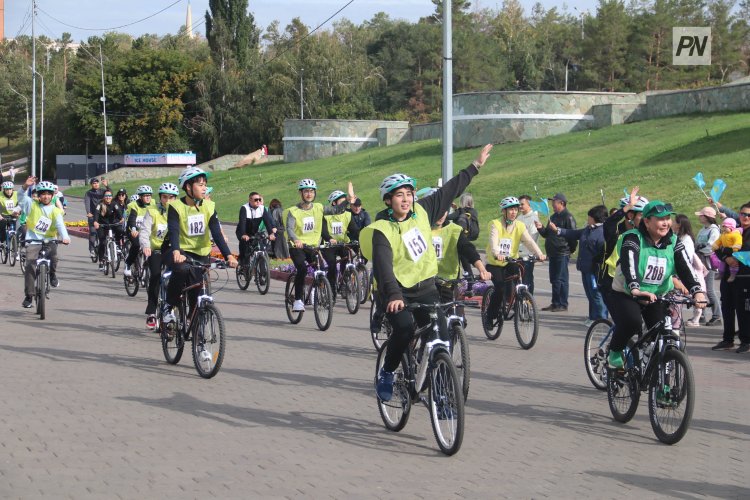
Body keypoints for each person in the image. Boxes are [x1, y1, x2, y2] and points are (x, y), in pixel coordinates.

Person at [360, 144, 493, 401]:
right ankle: (387, 372)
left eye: (409, 194)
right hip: (395, 293)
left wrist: (475, 166)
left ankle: (442, 397)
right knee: (406, 328)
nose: (406, 199)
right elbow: (385, 269)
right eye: (400, 195)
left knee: (441, 339)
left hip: (426, 288)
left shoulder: (421, 211)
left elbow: (450, 189)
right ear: (388, 200)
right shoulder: (382, 230)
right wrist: (395, 295)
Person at [607, 201, 706, 369]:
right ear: (646, 221)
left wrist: (697, 292)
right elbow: (630, 264)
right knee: (632, 323)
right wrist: (636, 289)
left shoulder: (674, 241)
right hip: (628, 292)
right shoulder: (632, 238)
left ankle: (657, 377)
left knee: (661, 333)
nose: (666, 223)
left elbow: (685, 268)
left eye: (668, 218)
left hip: (657, 295)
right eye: (660, 219)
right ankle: (615, 352)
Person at [162, 167, 238, 325]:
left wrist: (229, 256)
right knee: (181, 269)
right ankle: (169, 306)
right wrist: (176, 251)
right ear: (188, 187)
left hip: (201, 253)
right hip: (180, 251)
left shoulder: (209, 206)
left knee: (197, 291)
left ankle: (194, 326)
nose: (204, 188)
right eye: (200, 185)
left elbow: (216, 233)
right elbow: (174, 231)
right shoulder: (176, 206)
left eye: (205, 185)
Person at [484, 196, 546, 330]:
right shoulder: (495, 224)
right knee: (499, 288)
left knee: (518, 276)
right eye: (510, 210)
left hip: (511, 261)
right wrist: (497, 253)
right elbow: (493, 242)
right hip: (494, 262)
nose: (513, 212)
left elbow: (529, 241)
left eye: (515, 209)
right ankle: (490, 315)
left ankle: (516, 299)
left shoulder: (519, 225)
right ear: (504, 211)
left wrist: (539, 253)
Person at [552, 205, 608, 326]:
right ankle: (593, 317)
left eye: (590, 217)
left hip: (594, 270)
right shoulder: (588, 229)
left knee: (596, 295)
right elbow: (574, 233)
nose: (588, 219)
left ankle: (603, 319)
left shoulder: (602, 232)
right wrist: (558, 230)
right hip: (585, 268)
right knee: (590, 294)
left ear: (595, 218)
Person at [16, 180, 70, 306]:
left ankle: (52, 275)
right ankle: (29, 296)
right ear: (39, 195)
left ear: (52, 196)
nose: (46, 196)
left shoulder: (55, 211)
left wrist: (65, 237)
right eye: (43, 194)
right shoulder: (31, 204)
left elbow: (60, 225)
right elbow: (20, 197)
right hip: (33, 240)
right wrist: (25, 186)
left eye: (48, 194)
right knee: (30, 265)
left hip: (50, 240)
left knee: (54, 257)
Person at [710, 201, 750, 353]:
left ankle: (746, 341)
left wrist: (732, 255)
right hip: (728, 274)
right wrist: (727, 257)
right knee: (727, 306)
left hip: (745, 275)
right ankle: (727, 339)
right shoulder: (732, 230)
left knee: (743, 309)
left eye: (748, 215)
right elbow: (718, 247)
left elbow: (746, 250)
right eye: (742, 214)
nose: (745, 217)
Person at [139, 182, 179, 329]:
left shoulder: (180, 210)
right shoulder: (152, 211)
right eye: (164, 197)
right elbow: (144, 230)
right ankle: (151, 312)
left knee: (178, 274)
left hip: (172, 249)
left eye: (171, 197)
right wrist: (146, 246)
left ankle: (173, 307)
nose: (167, 200)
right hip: (155, 249)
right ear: (160, 197)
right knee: (155, 275)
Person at [536, 193, 577, 312]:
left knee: (561, 279)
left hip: (562, 252)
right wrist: (540, 228)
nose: (552, 204)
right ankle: (555, 302)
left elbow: (573, 235)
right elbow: (546, 234)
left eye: (554, 202)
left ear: (562, 203)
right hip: (553, 253)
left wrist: (570, 250)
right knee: (554, 279)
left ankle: (562, 304)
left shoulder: (568, 217)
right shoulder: (553, 217)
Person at [323, 189, 360, 296]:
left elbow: (354, 229)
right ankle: (332, 291)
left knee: (347, 259)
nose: (344, 203)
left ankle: (345, 282)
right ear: (334, 203)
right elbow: (323, 231)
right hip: (329, 245)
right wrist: (329, 239)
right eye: (341, 201)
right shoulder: (327, 215)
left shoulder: (348, 215)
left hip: (343, 243)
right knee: (332, 266)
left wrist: (360, 238)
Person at [673, 214, 707, 327]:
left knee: (689, 295)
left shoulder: (686, 239)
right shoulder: (676, 236)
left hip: (684, 272)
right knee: (677, 299)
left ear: (679, 224)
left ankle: (696, 318)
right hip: (676, 273)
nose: (672, 223)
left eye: (674, 221)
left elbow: (686, 258)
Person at [694, 206, 722, 325]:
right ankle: (702, 315)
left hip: (709, 262)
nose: (699, 217)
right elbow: (697, 243)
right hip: (700, 260)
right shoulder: (703, 229)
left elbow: (712, 245)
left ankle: (717, 316)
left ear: (707, 217)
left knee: (709, 290)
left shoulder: (714, 230)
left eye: (701, 215)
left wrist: (702, 246)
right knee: (702, 289)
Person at [236, 191, 277, 264]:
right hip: (242, 231)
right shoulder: (244, 208)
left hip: (254, 232)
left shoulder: (262, 208)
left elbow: (267, 222)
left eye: (259, 199)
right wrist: (244, 234)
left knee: (256, 246)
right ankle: (242, 263)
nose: (258, 201)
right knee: (245, 248)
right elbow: (242, 223)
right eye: (256, 200)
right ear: (250, 200)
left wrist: (271, 233)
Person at [124, 185, 154, 277]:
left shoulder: (153, 203)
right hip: (134, 230)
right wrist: (133, 229)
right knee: (137, 244)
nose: (148, 197)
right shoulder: (134, 205)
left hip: (147, 230)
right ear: (140, 197)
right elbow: (132, 218)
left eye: (149, 195)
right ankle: (128, 264)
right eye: (145, 196)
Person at [93, 188, 125, 270]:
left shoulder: (114, 204)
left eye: (110, 196)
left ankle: (117, 246)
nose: (108, 197)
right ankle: (101, 261)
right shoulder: (100, 204)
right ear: (104, 197)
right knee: (103, 242)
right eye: (106, 196)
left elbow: (119, 212)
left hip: (112, 224)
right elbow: (96, 213)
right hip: (102, 225)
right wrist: (96, 222)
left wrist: (121, 218)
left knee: (120, 231)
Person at [517, 194, 540, 294]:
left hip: (528, 255)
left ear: (529, 205)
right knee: (518, 279)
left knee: (527, 278)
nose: (520, 206)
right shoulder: (519, 218)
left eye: (522, 204)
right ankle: (519, 301)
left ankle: (529, 301)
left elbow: (532, 238)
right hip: (518, 254)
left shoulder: (534, 218)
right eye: (519, 204)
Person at [712, 217, 743, 283]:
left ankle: (733, 274)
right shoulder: (723, 234)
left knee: (734, 264)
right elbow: (719, 241)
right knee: (722, 263)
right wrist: (715, 245)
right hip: (725, 252)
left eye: (726, 227)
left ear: (731, 227)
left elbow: (738, 241)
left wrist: (735, 248)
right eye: (723, 227)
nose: (724, 229)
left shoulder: (735, 234)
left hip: (733, 251)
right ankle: (720, 273)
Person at [84, 178, 105, 258]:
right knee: (93, 232)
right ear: (91, 185)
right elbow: (87, 203)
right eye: (94, 183)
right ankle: (92, 249)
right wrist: (88, 212)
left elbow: (110, 195)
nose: (96, 184)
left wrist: (107, 186)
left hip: (102, 216)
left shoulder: (103, 191)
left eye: (97, 183)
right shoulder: (88, 193)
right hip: (92, 215)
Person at [1, 181, 20, 246]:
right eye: (7, 189)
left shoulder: (16, 194)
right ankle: (2, 242)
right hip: (3, 215)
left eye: (10, 189)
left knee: (17, 230)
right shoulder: (0, 195)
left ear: (12, 189)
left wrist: (18, 212)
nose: (9, 191)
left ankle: (16, 249)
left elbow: (21, 204)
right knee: (2, 227)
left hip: (14, 214)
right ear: (4, 189)